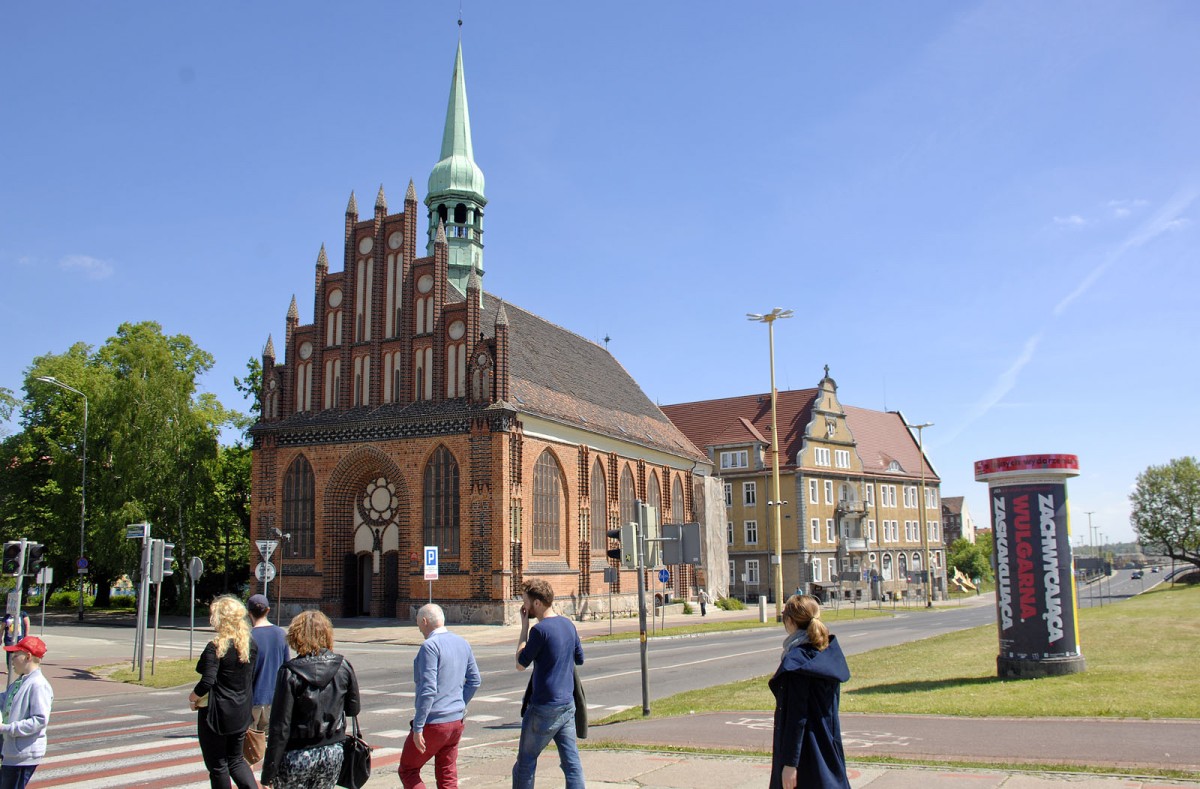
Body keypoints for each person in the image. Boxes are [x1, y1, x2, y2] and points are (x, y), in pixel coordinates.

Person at [260, 610, 360, 789]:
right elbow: (353, 709)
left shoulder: (290, 671)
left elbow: (280, 726)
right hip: (332, 750)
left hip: (297, 752)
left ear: (296, 636)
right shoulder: (343, 666)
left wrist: (269, 771)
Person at [769, 594, 851, 789]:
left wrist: (790, 763)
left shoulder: (796, 662)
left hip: (804, 752)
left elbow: (796, 716)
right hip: (827, 744)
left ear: (789, 621)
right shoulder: (826, 652)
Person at [398, 603, 481, 789]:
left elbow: (428, 689)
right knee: (447, 775)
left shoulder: (430, 646)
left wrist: (418, 726)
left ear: (425, 621)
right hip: (456, 720)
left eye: (419, 623)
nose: (419, 628)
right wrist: (459, 702)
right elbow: (475, 680)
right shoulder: (462, 642)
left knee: (408, 770)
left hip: (434, 722)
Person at [512, 578, 584, 789]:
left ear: (536, 603)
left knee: (525, 763)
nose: (523, 606)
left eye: (525, 601)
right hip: (567, 705)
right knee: (571, 764)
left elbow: (519, 663)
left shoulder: (539, 631)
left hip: (543, 706)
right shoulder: (568, 624)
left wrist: (524, 627)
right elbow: (579, 659)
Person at [189, 595, 259, 789]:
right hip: (241, 711)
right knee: (236, 760)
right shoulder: (249, 646)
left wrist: (192, 697)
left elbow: (207, 680)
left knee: (218, 765)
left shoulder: (217, 646)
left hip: (216, 714)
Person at [0, 636, 53, 789]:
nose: (12, 659)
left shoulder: (38, 685)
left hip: (24, 754)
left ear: (28, 656)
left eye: (16, 655)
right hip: (12, 751)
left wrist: (5, 728)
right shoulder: (21, 681)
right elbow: (4, 699)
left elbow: (39, 720)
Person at [247, 594, 290, 738]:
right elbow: (286, 668)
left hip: (251, 699)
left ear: (249, 613)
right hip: (274, 698)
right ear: (268, 610)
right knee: (269, 743)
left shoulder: (248, 636)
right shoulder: (280, 634)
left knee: (249, 746)